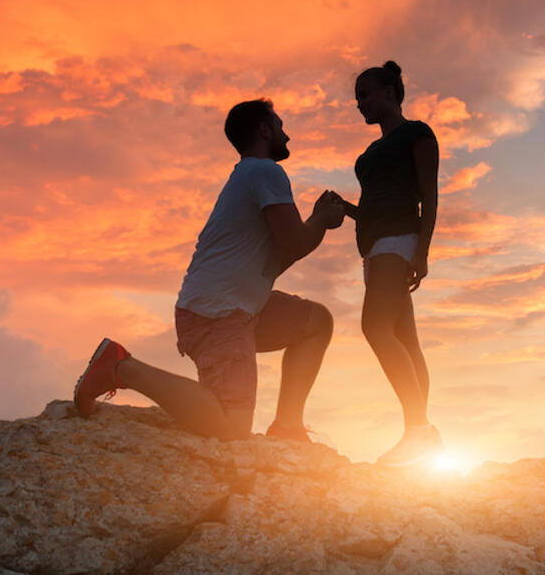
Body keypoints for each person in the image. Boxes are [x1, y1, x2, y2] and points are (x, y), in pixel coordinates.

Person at [73, 99, 347, 442]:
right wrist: (322, 220)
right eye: (280, 125)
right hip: (218, 314)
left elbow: (273, 264)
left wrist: (317, 221)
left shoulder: (250, 176)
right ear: (264, 129)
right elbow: (294, 243)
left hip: (234, 308)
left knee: (316, 323)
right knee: (231, 429)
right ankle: (119, 366)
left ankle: (288, 427)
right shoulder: (265, 171)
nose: (287, 135)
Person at [337, 61, 443, 465]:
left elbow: (429, 197)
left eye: (365, 95)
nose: (359, 104)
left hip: (398, 243)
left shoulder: (417, 134)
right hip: (375, 247)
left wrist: (423, 251)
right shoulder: (367, 156)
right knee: (407, 342)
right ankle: (421, 434)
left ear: (389, 91)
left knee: (374, 327)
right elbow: (371, 210)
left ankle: (419, 431)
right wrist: (343, 207)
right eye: (357, 98)